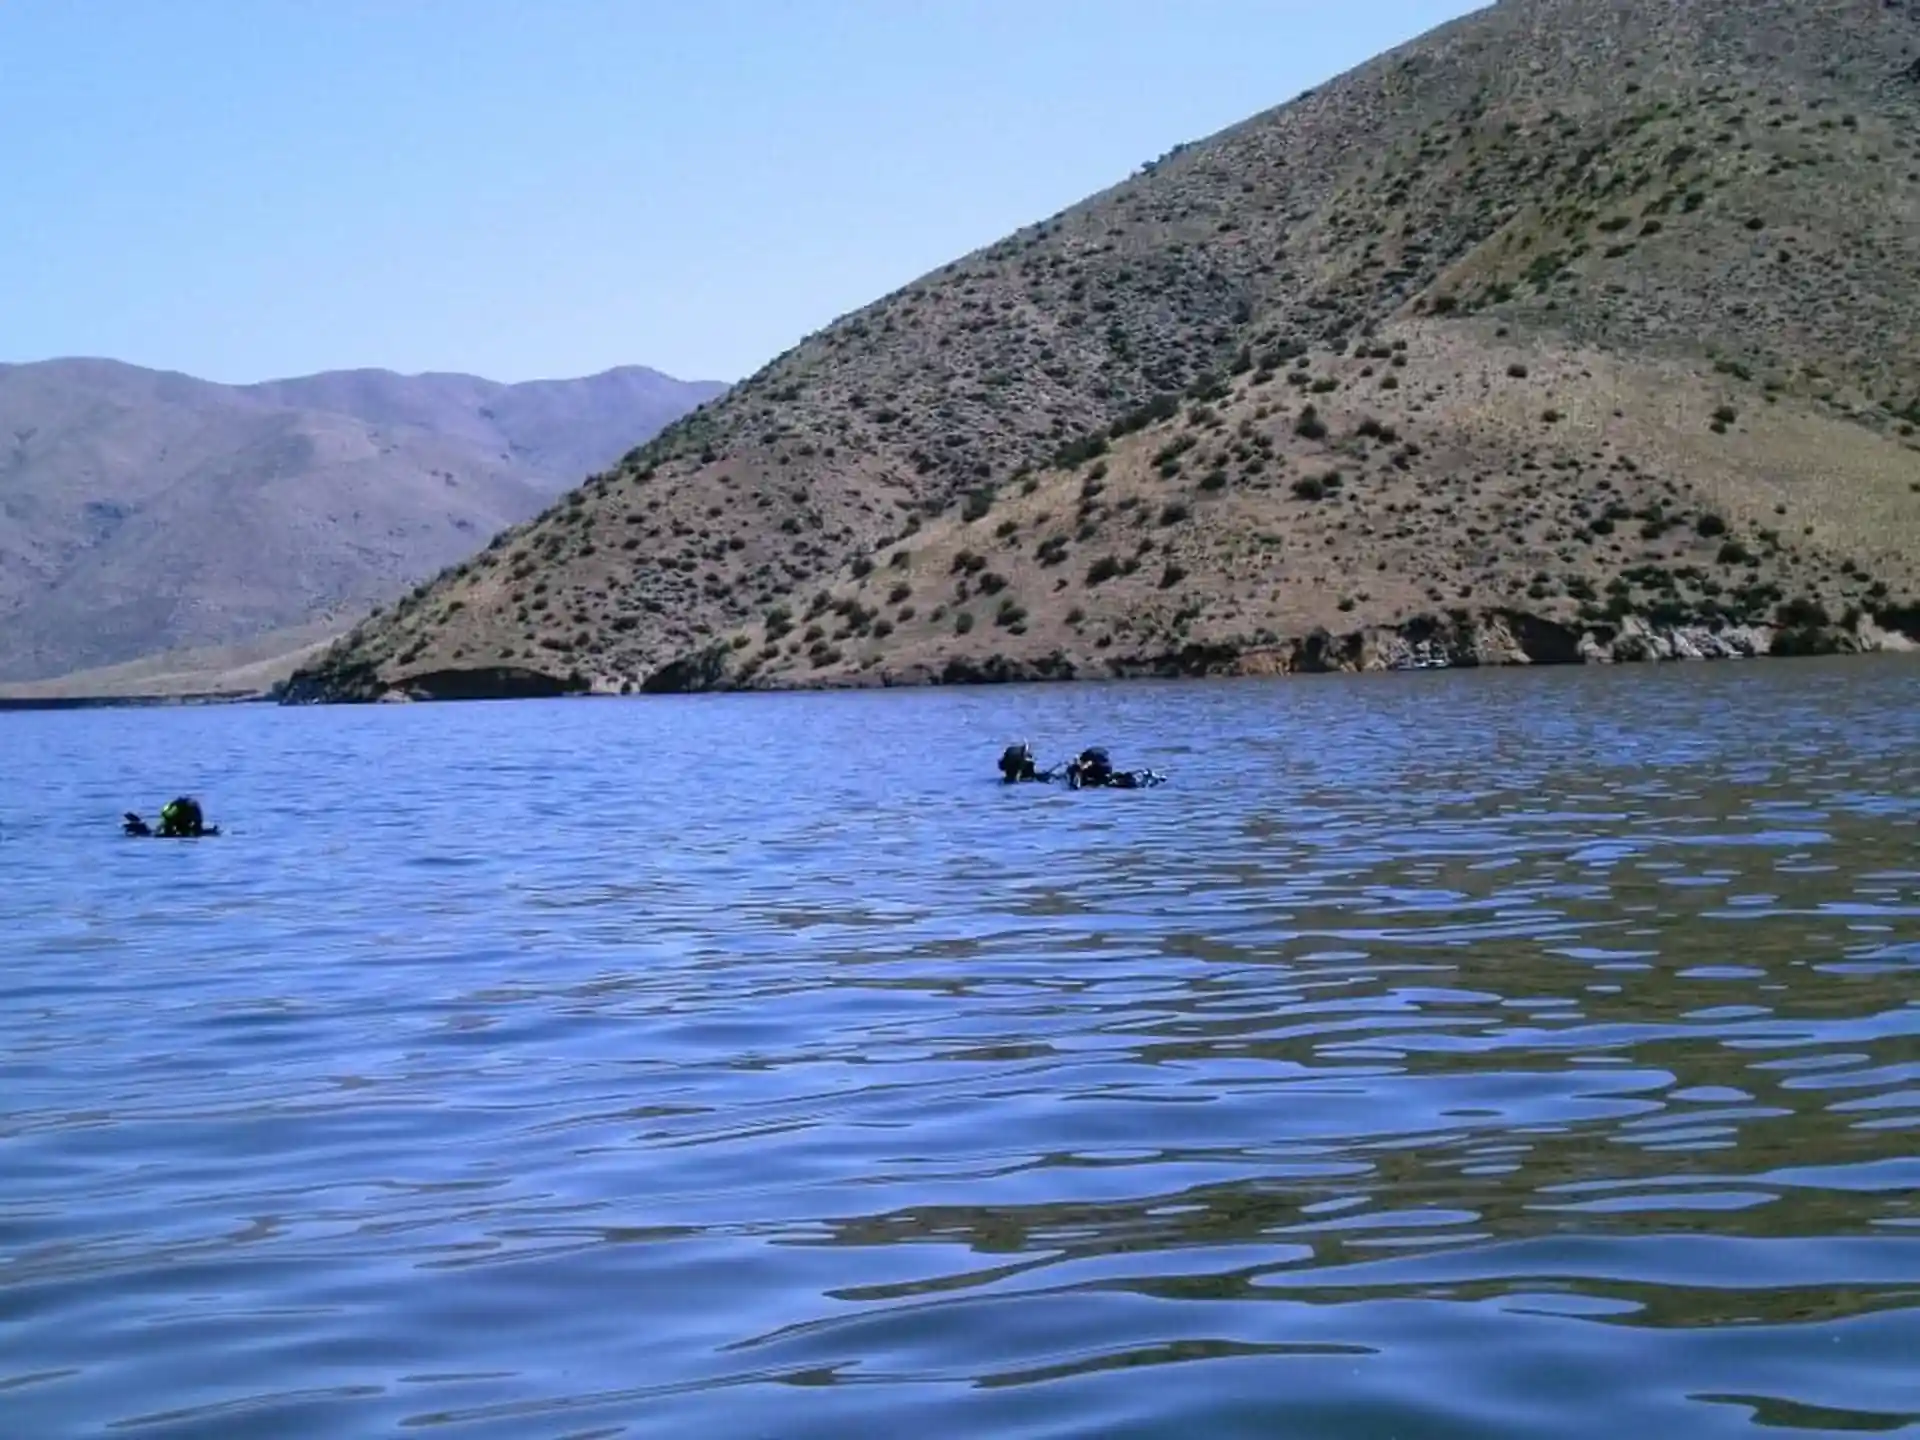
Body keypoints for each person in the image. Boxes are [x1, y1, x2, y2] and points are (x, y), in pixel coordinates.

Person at [124, 797, 218, 837]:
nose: (163, 823)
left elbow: (159, 835)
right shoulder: (209, 833)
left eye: (168, 821)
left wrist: (143, 832)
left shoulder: (176, 836)